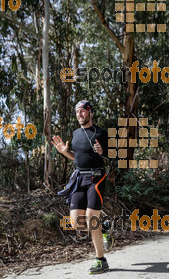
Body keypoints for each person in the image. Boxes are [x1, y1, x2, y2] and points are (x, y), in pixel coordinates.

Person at [52, 100, 113, 274]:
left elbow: (113, 155)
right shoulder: (76, 133)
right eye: (77, 111)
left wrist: (103, 152)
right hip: (79, 179)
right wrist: (65, 151)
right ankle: (105, 228)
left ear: (90, 113)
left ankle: (101, 260)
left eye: (83, 111)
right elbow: (77, 157)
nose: (79, 114)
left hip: (96, 178)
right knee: (77, 223)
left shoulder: (101, 133)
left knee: (91, 219)